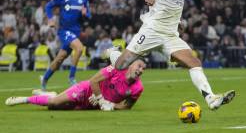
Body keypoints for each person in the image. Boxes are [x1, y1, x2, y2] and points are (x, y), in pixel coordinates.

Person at [107, 0, 235, 110]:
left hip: (170, 37)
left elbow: (169, 8)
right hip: (151, 32)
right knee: (120, 65)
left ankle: (211, 99)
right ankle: (113, 52)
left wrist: (179, 22)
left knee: (194, 62)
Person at [5, 51, 145, 111]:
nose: (140, 70)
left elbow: (126, 107)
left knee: (56, 108)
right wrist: (101, 99)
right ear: (131, 64)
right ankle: (24, 99)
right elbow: (93, 81)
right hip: (86, 91)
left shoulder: (138, 88)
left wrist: (110, 105)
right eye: (139, 65)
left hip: (94, 104)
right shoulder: (116, 68)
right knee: (53, 104)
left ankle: (51, 94)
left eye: (143, 69)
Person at [40, 0, 91, 91]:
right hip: (64, 31)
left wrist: (85, 14)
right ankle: (72, 77)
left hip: (76, 32)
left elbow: (88, 15)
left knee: (59, 59)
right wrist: (51, 19)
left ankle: (44, 79)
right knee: (79, 48)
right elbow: (48, 6)